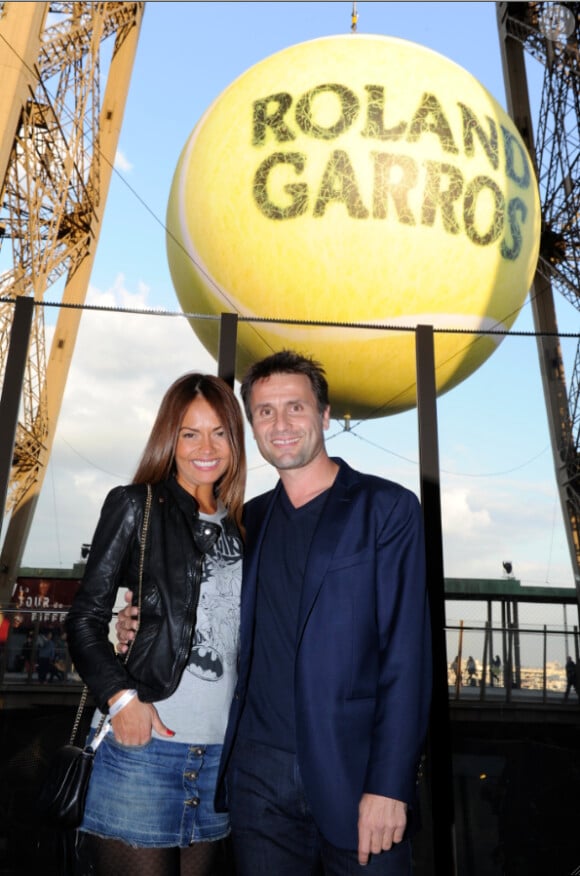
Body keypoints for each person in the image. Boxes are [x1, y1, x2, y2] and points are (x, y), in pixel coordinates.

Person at [118, 350, 432, 876]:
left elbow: (408, 656)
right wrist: (136, 627)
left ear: (325, 415)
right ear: (252, 427)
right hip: (256, 777)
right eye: (264, 412)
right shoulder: (247, 522)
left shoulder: (387, 509)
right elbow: (200, 608)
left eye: (295, 408)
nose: (280, 424)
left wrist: (389, 784)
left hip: (354, 774)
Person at [65, 372, 246, 876]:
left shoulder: (244, 525)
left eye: (219, 433)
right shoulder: (136, 505)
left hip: (218, 762)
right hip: (142, 753)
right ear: (171, 438)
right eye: (190, 433)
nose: (205, 448)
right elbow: (84, 618)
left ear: (236, 439)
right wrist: (121, 699)